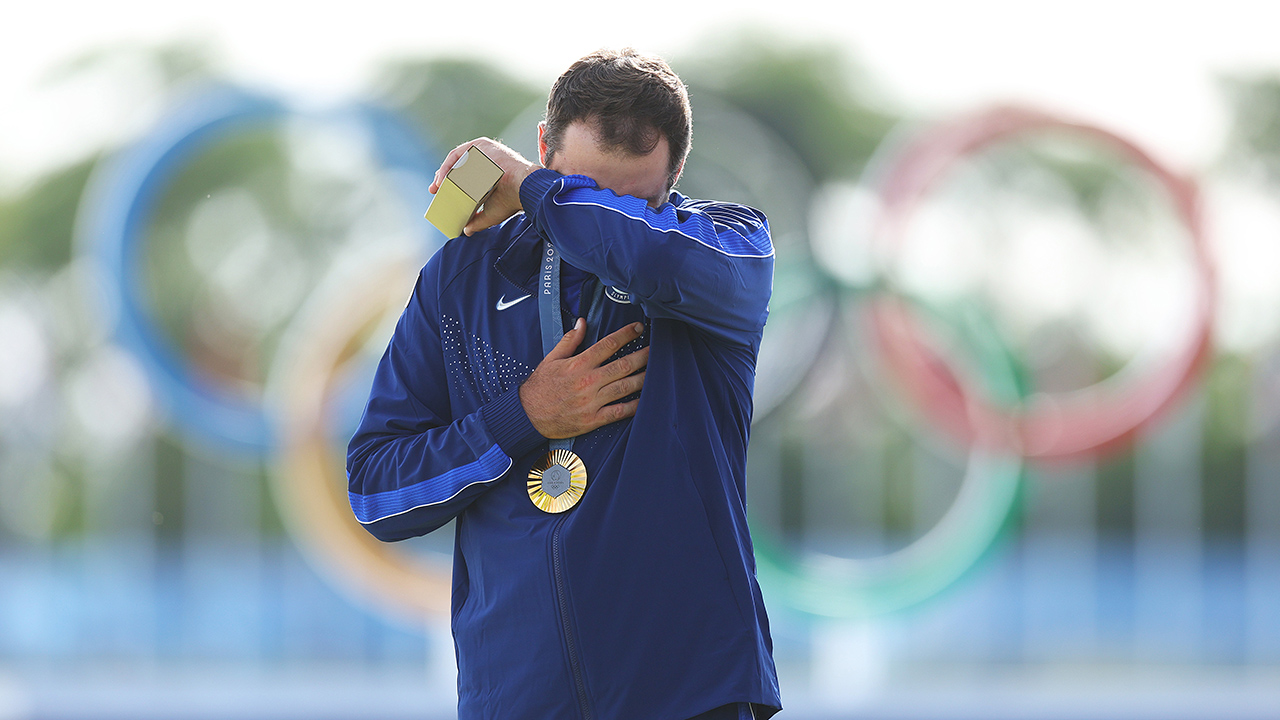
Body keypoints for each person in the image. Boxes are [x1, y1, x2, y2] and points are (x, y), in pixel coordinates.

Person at [347, 48, 780, 720]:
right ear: (544, 146)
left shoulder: (725, 252)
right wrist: (521, 418)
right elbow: (376, 492)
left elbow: (649, 252)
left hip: (692, 694)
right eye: (583, 184)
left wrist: (539, 192)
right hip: (519, 697)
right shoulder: (461, 278)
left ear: (677, 172)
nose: (600, 214)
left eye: (629, 198)